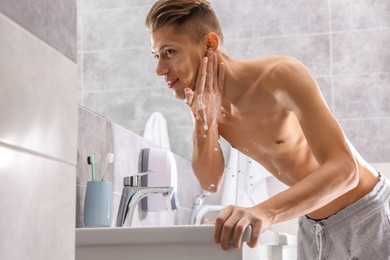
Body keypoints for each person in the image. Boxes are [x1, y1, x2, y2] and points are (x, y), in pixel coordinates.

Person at [145, 1, 390, 259]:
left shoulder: (279, 76)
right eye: (156, 55)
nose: (159, 69)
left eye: (169, 51)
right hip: (313, 227)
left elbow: (346, 170)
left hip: (366, 216)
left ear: (209, 44)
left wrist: (263, 212)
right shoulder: (209, 106)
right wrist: (202, 120)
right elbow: (209, 180)